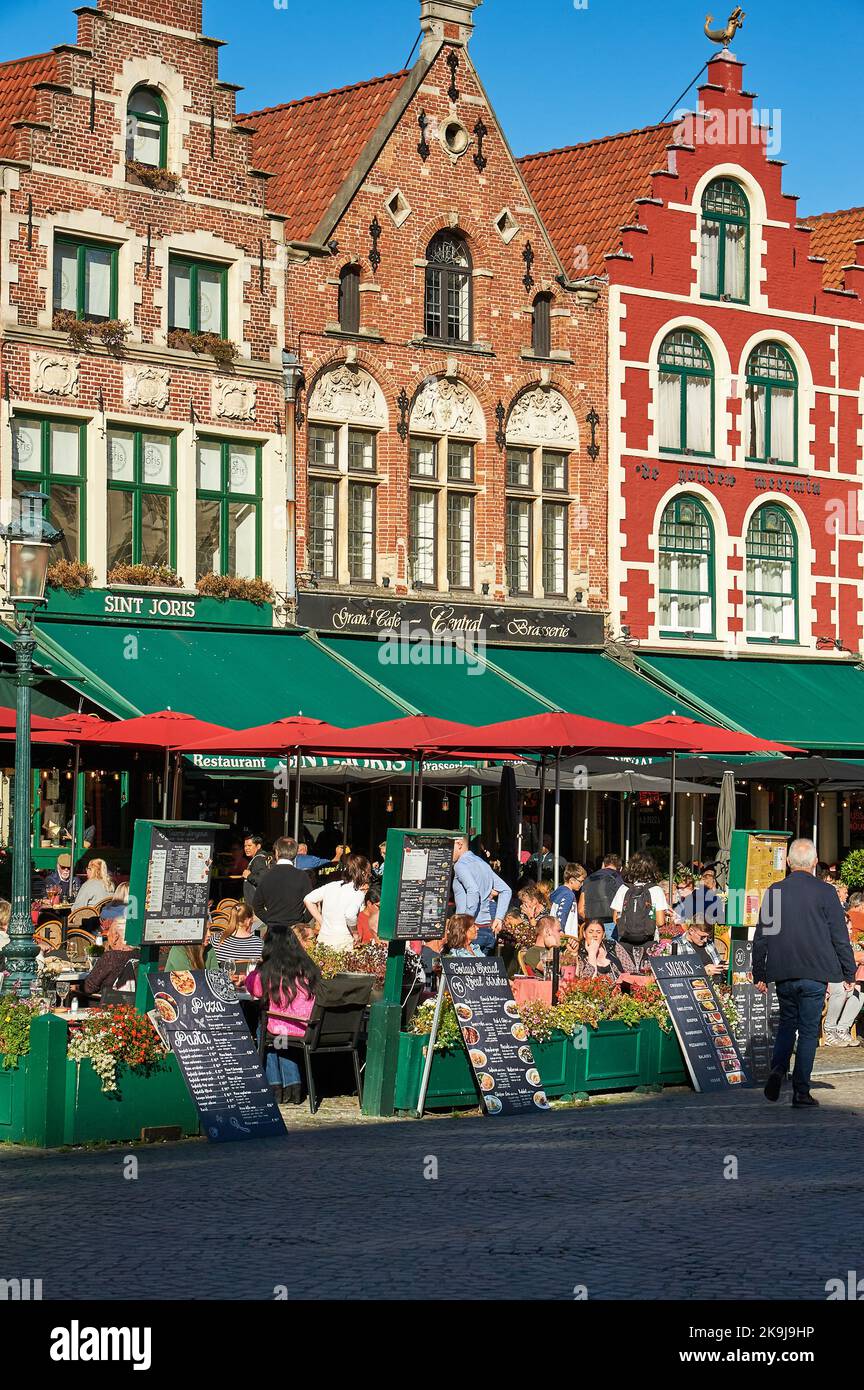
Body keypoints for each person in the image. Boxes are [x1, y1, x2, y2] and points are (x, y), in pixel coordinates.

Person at [755, 837, 856, 1108]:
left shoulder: (775, 891)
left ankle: (778, 1069)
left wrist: (759, 973)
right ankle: (801, 1091)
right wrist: (849, 972)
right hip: (815, 971)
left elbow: (763, 936)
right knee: (809, 1031)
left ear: (788, 863)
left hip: (784, 971)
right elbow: (839, 938)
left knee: (788, 1023)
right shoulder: (826, 893)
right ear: (814, 862)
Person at [245, 924, 321, 1105]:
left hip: (283, 1027)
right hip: (306, 1026)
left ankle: (275, 1085)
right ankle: (292, 1086)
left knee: (264, 1031)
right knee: (280, 1039)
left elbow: (255, 988)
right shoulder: (307, 965)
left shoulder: (269, 968)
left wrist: (253, 973)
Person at [451, 835, 512, 954]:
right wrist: (499, 918)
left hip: (470, 933)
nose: (447, 851)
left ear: (459, 844)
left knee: (462, 970)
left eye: (449, 847)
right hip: (488, 931)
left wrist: (466, 922)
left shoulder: (460, 865)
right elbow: (506, 890)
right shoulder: (483, 863)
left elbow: (473, 890)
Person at [610, 853, 668, 974]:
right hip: (649, 941)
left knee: (626, 976)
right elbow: (660, 922)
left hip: (625, 941)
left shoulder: (624, 888)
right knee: (647, 977)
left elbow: (616, 918)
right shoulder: (655, 890)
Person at [304, 852, 370, 951]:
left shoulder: (332, 885)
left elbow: (308, 899)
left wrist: (322, 921)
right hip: (342, 941)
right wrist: (355, 933)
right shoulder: (358, 893)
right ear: (364, 872)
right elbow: (350, 914)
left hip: (324, 938)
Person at [253, 837, 312, 929]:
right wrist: (301, 921)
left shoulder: (267, 876)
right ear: (295, 854)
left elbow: (257, 906)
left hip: (274, 931)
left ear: (276, 852)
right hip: (295, 931)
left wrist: (270, 921)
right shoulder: (302, 876)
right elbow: (312, 903)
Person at [82, 905, 138, 1001]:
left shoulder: (111, 957)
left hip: (108, 1004)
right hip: (134, 1002)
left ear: (116, 936)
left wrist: (76, 988)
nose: (107, 934)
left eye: (110, 932)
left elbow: (89, 987)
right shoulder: (139, 954)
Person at [579, 854, 623, 939]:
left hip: (591, 927)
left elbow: (580, 909)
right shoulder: (619, 879)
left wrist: (592, 922)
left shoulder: (588, 879)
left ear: (603, 864)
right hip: (612, 927)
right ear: (620, 868)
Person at [214, 900, 263, 970]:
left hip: (222, 979)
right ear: (248, 921)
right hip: (248, 980)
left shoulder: (216, 939)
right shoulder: (258, 944)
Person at [550, 863, 587, 937]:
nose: (582, 884)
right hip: (565, 937)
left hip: (554, 933)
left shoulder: (559, 891)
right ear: (571, 880)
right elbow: (562, 913)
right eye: (580, 881)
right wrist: (560, 931)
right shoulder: (568, 894)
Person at [241, 834, 271, 910]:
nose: (246, 848)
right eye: (245, 846)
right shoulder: (261, 857)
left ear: (258, 846)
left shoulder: (259, 859)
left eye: (249, 845)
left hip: (258, 907)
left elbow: (262, 881)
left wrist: (249, 876)